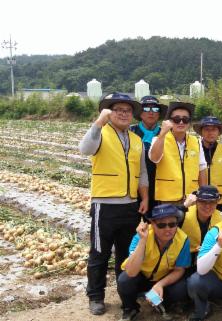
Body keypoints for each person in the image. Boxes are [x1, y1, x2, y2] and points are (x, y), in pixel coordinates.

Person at [78, 92, 149, 315]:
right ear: (109, 112)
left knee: (126, 253)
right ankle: (95, 296)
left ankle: (124, 292)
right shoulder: (101, 133)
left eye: (127, 111)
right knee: (99, 252)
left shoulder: (137, 141)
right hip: (105, 204)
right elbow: (85, 149)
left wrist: (144, 197)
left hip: (130, 205)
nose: (123, 114)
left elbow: (142, 173)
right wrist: (99, 122)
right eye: (118, 110)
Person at [118, 204, 190, 320]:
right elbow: (131, 272)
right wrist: (142, 241)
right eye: (161, 225)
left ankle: (161, 302)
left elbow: (179, 270)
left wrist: (159, 285)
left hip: (163, 278)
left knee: (181, 288)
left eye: (172, 224)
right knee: (124, 280)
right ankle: (130, 308)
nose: (168, 229)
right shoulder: (141, 236)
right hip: (141, 276)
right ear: (152, 223)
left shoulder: (183, 239)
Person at [149, 101, 207, 204]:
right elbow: (154, 158)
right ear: (170, 121)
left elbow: (202, 168)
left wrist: (203, 196)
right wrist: (162, 134)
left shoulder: (196, 141)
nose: (181, 122)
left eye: (185, 119)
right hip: (167, 199)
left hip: (191, 197)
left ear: (189, 122)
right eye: (176, 119)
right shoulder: (158, 139)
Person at [193, 116, 222, 210]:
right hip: (199, 198)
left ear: (218, 132)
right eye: (206, 129)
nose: (210, 133)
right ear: (201, 132)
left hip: (220, 199)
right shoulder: (194, 149)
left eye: (214, 129)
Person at [129, 95, 167, 213]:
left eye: (155, 109)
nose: (151, 112)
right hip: (134, 187)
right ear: (140, 113)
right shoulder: (130, 132)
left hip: (160, 187)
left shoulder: (166, 133)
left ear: (159, 114)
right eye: (146, 109)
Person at [180, 185, 222, 271]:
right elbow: (163, 220)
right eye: (203, 201)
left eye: (212, 202)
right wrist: (184, 206)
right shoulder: (183, 215)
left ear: (217, 203)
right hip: (184, 262)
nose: (207, 206)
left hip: (210, 261)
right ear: (196, 202)